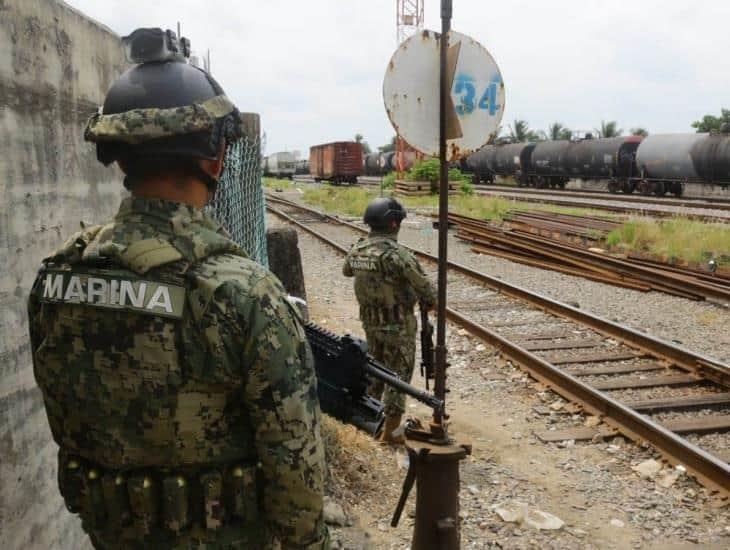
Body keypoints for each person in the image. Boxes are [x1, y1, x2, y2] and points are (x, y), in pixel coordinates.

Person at [27, 28, 327, 549]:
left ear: (119, 158)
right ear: (214, 159)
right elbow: (295, 475)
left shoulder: (58, 277)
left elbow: (67, 425)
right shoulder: (244, 294)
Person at [342, 197, 436, 443]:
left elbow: (347, 270)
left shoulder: (358, 250)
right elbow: (429, 292)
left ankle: (369, 421)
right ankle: (391, 433)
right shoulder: (398, 256)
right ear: (394, 224)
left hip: (371, 324)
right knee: (398, 377)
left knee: (374, 371)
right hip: (399, 326)